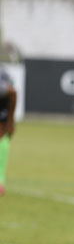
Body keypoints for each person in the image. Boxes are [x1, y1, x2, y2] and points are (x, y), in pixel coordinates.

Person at [0, 64, 17, 197]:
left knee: (3, 138)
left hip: (3, 107)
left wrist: (10, 121)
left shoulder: (2, 73)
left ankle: (0, 181)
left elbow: (12, 93)